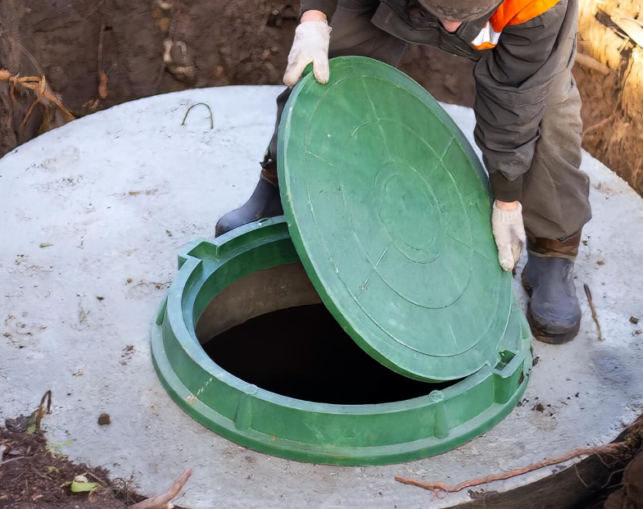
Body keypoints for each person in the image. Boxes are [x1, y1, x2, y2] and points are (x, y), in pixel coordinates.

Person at [214, 0, 591, 344]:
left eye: (459, 17)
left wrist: (508, 199)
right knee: (334, 59)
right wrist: (315, 19)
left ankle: (553, 249)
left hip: (518, 24)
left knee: (546, 113)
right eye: (443, 12)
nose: (449, 27)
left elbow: (515, 102)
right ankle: (283, 182)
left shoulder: (539, 6)